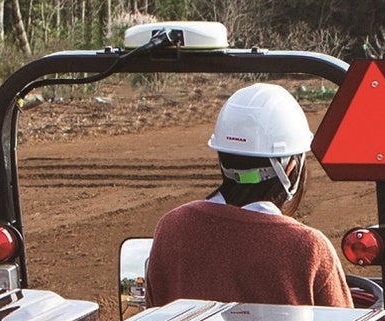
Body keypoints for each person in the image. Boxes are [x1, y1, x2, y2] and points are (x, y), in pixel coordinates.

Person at [141, 84, 364, 308]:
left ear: (222, 158)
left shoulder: (173, 228)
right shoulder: (308, 249)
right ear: (290, 168)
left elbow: (155, 316)